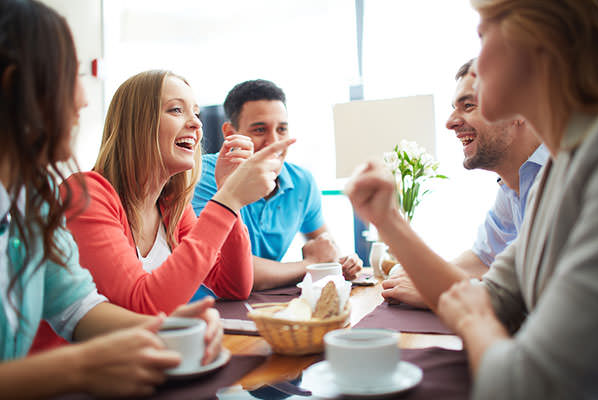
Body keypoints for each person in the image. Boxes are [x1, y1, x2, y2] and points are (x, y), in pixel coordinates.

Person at [345, 0, 598, 398]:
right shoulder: (556, 171)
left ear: (541, 44)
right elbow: (495, 297)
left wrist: (473, 322)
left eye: (483, 36)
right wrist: (388, 220)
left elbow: (528, 386)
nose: (476, 66)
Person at [0, 0, 222, 397]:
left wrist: (170, 328)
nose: (84, 100)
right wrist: (80, 366)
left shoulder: (32, 206)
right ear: (15, 88)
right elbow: (141, 299)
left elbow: (76, 306)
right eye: (72, 76)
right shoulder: (85, 193)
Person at [32, 71, 295, 351]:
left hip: (137, 360)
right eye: (176, 110)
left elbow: (234, 285)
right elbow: (142, 306)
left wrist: (228, 193)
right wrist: (227, 201)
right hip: (67, 377)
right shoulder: (86, 194)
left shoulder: (171, 205)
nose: (195, 123)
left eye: (195, 113)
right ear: (137, 124)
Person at [382, 58, 548, 307]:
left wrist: (439, 291)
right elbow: (483, 257)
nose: (450, 122)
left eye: (468, 106)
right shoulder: (512, 183)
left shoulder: (564, 176)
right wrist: (424, 278)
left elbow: (539, 294)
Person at [192, 79, 362, 291]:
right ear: (229, 133)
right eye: (260, 130)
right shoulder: (205, 175)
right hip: (208, 311)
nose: (274, 142)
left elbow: (326, 247)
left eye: (282, 129)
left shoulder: (302, 181)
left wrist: (342, 260)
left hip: (265, 308)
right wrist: (310, 265)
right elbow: (229, 272)